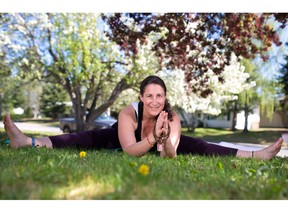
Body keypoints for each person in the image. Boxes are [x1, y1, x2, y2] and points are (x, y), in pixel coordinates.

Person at [3, 75, 283, 160]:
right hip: (119, 137)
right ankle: (27, 141)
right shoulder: (128, 114)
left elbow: (168, 158)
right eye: (148, 96)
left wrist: (165, 140)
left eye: (159, 96)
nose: (154, 101)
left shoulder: (171, 117)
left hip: (161, 138)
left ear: (165, 98)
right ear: (141, 98)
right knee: (84, 137)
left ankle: (257, 155)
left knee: (199, 146)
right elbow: (129, 151)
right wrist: (151, 137)